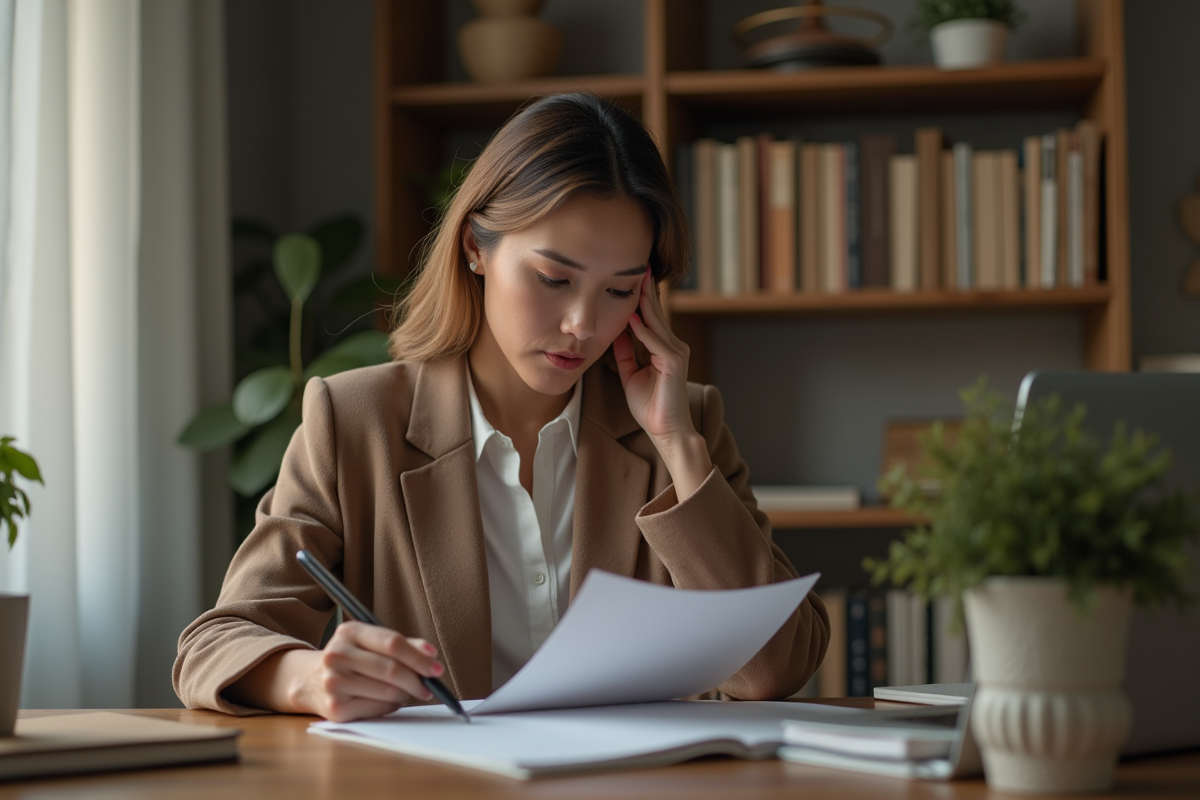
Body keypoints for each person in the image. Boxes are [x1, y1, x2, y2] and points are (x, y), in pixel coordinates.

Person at [174, 92, 829, 722]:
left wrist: (679, 447)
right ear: (475, 247)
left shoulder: (687, 426)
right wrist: (310, 678)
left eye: (620, 290)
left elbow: (770, 669)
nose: (581, 323)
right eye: (554, 279)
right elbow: (215, 642)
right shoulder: (354, 422)